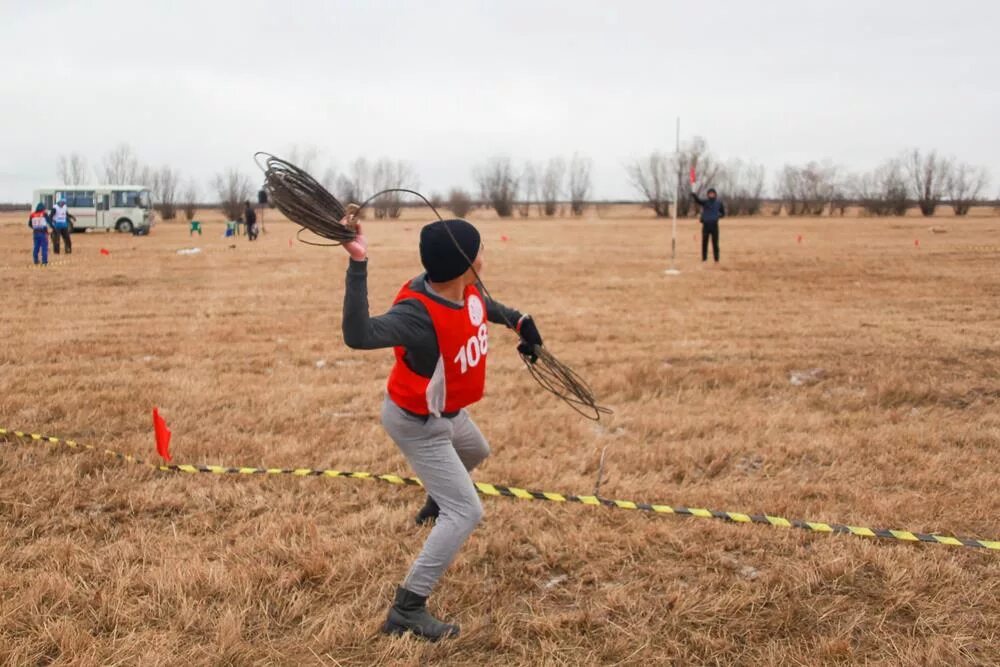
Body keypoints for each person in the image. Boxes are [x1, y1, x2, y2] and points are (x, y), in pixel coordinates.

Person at [340, 215, 543, 641]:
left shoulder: (461, 288)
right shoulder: (416, 315)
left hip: (449, 414)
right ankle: (407, 610)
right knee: (467, 511)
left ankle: (437, 500)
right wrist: (358, 263)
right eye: (479, 251)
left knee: (475, 452)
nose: (484, 258)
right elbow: (358, 334)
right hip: (417, 423)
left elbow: (480, 306)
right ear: (467, 264)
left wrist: (519, 320)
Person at [691, 185, 725, 263]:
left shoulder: (719, 203)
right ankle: (704, 259)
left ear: (715, 194)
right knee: (704, 243)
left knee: (715, 243)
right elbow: (698, 201)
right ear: (708, 194)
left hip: (714, 226)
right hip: (706, 225)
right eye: (710, 193)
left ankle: (716, 259)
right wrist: (694, 195)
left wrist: (717, 216)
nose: (711, 195)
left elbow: (723, 214)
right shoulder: (705, 202)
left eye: (713, 193)